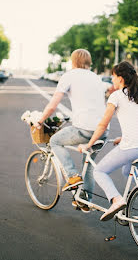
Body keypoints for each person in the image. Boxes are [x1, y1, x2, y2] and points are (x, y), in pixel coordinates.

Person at [78, 61, 138, 221]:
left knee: (99, 171)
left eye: (113, 77)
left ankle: (116, 199)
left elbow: (102, 125)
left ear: (120, 78)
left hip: (134, 147)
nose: (112, 80)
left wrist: (89, 144)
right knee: (129, 171)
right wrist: (123, 137)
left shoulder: (117, 95)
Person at [35, 49, 108, 212]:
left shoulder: (70, 75)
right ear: (89, 62)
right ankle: (85, 200)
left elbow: (54, 104)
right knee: (88, 164)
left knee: (55, 141)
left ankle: (72, 176)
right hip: (102, 130)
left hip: (85, 128)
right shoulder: (97, 78)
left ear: (73, 62)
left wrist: (41, 119)